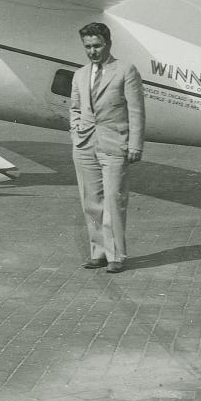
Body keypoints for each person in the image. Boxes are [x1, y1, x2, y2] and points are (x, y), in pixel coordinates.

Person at [69, 21, 145, 274]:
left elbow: (136, 111)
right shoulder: (80, 74)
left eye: (97, 45)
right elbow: (76, 108)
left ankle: (116, 256)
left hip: (115, 143)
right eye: (87, 46)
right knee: (90, 201)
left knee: (114, 200)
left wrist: (135, 144)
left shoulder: (125, 70)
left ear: (108, 43)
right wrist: (75, 132)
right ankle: (98, 253)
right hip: (84, 144)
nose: (92, 51)